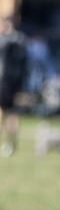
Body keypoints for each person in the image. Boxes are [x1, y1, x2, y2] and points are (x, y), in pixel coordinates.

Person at [0, 17, 28, 157]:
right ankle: (11, 143)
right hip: (15, 84)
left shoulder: (5, 41)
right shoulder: (22, 40)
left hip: (3, 82)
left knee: (5, 113)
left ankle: (8, 143)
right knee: (12, 113)